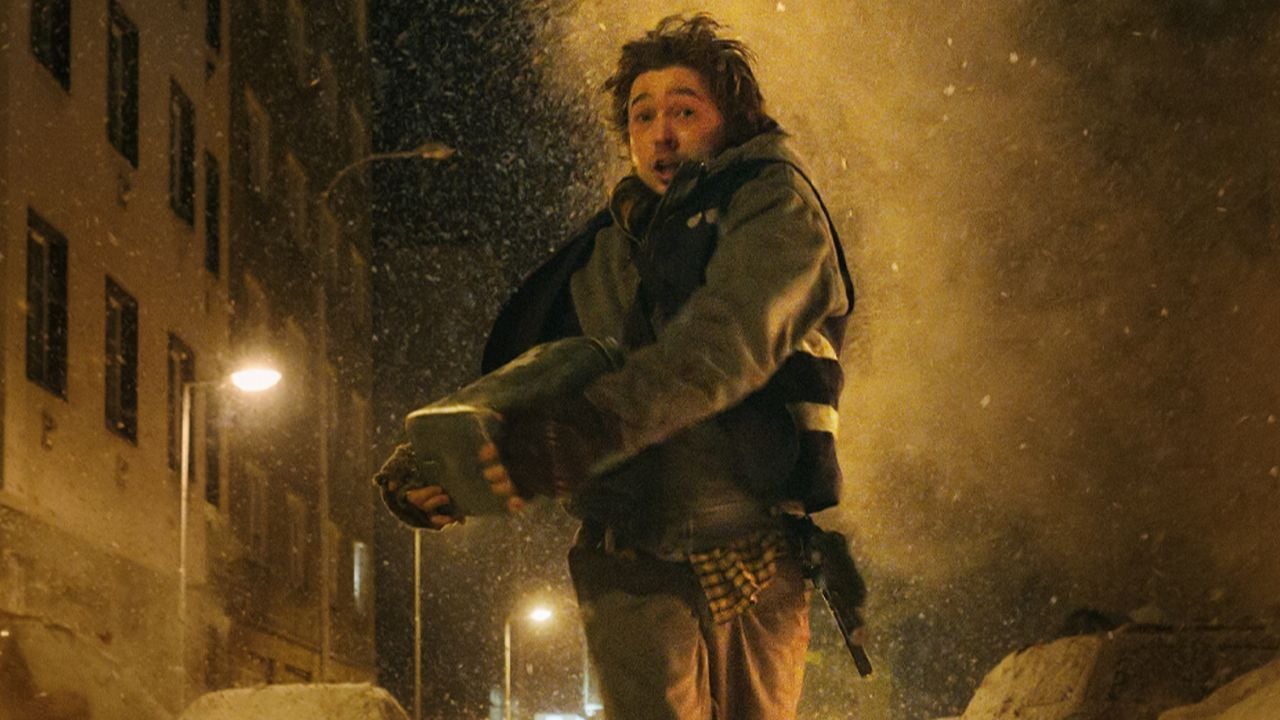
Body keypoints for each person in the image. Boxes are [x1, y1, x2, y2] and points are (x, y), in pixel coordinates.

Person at [376, 14, 855, 719]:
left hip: (751, 555)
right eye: (642, 115)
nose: (661, 133)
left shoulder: (773, 204)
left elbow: (726, 342)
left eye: (685, 111)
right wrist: (437, 466)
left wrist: (589, 428)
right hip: (628, 559)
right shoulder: (603, 251)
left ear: (732, 121)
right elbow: (548, 368)